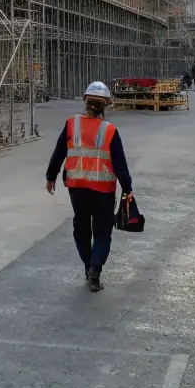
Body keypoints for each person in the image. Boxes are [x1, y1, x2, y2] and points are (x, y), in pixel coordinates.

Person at [46, 81, 133, 292]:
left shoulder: (71, 124)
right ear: (105, 105)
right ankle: (95, 268)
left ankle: (88, 266)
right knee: (102, 232)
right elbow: (120, 164)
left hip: (77, 188)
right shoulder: (110, 130)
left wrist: (51, 177)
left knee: (82, 229)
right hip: (103, 190)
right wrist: (127, 189)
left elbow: (59, 153)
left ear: (85, 101)